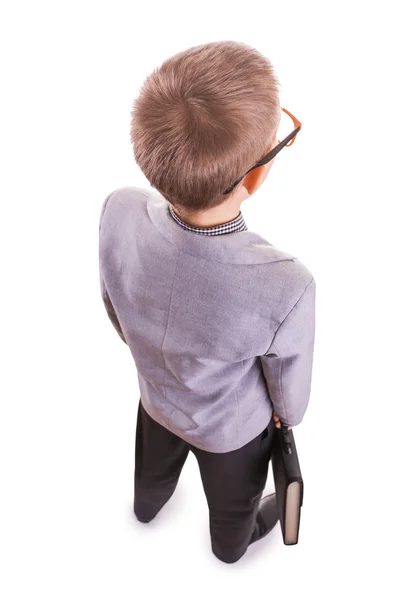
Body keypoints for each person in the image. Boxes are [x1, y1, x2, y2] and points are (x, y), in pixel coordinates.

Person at [98, 40, 316, 564]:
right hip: (230, 432)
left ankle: (147, 509)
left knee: (150, 475)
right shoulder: (286, 284)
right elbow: (291, 399)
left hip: (155, 400)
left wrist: (159, 359)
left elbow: (114, 307)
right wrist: (285, 417)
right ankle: (230, 550)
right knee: (233, 512)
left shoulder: (120, 209)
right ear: (255, 174)